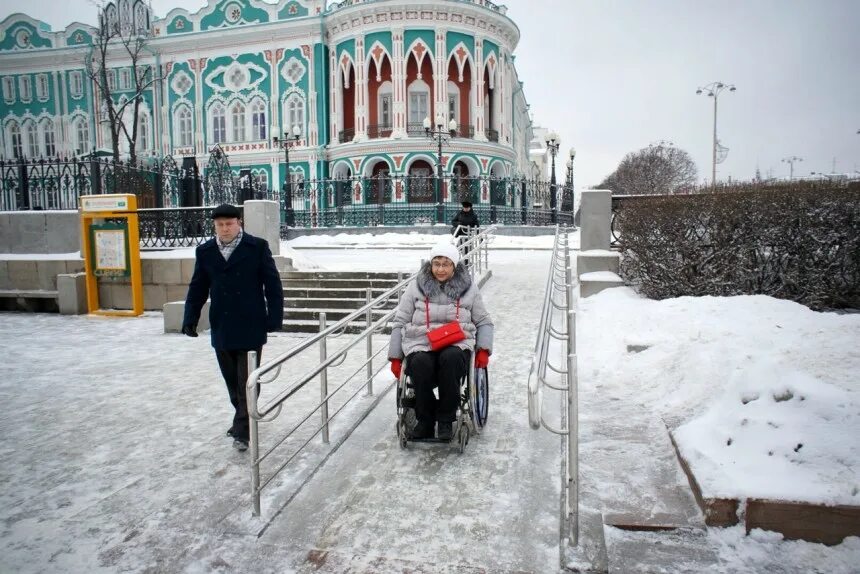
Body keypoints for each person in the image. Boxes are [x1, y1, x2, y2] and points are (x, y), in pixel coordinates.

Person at [181, 204, 284, 452]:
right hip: (222, 325)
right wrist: (190, 318)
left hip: (251, 324)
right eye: (220, 225)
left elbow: (272, 285)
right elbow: (198, 287)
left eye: (229, 224)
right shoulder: (205, 251)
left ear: (239, 223)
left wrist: (274, 318)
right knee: (231, 380)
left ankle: (242, 429)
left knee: (247, 379)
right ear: (215, 226)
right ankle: (243, 416)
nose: (225, 229)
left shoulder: (257, 247)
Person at [388, 241, 493, 441]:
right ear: (430, 265)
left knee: (451, 359)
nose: (441, 269)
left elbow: (484, 321)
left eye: (446, 264)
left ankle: (445, 420)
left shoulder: (468, 289)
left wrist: (483, 349)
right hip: (421, 341)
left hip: (456, 342)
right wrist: (395, 357)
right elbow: (400, 320)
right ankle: (425, 421)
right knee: (419, 363)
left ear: (454, 266)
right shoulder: (416, 286)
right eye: (437, 264)